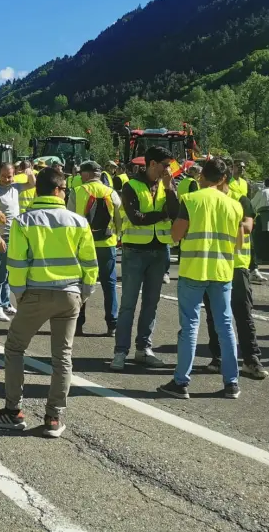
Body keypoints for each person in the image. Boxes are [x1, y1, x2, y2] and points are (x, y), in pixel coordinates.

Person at [0, 166, 98, 437]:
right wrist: (84, 294)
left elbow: (17, 264)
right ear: (57, 190)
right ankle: (54, 417)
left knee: (15, 349)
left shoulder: (23, 221)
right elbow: (90, 263)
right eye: (65, 188)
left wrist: (19, 296)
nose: (66, 192)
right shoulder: (78, 222)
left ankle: (13, 410)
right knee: (62, 357)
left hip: (35, 294)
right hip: (70, 295)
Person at [158, 158, 243, 399]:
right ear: (224, 179)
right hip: (222, 272)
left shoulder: (192, 200)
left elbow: (176, 235)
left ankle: (181, 382)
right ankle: (231, 383)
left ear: (201, 176)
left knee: (190, 326)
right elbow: (238, 242)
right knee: (225, 326)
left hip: (194, 270)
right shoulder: (234, 205)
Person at [111, 146, 178, 371]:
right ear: (152, 164)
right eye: (165, 165)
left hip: (159, 250)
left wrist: (169, 190)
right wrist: (162, 215)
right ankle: (120, 351)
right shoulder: (131, 186)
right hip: (134, 252)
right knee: (128, 305)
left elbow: (175, 212)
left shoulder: (167, 185)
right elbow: (137, 218)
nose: (169, 169)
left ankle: (144, 349)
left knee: (151, 303)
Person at [203, 162, 268, 379]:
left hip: (236, 265)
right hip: (212, 263)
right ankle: (218, 357)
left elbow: (248, 226)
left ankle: (251, 359)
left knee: (242, 313)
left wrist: (224, 218)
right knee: (214, 314)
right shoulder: (206, 200)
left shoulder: (241, 200)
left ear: (223, 180)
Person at [70, 161, 121, 337]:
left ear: (86, 174)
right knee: (110, 285)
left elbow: (70, 220)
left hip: (83, 245)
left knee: (81, 285)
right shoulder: (111, 193)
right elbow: (119, 219)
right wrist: (117, 236)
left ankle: (78, 324)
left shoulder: (77, 192)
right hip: (107, 244)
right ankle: (112, 325)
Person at [0, 162, 36, 321]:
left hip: (15, 235)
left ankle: (5, 302)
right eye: (3, 176)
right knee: (1, 273)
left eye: (9, 176)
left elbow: (33, 183)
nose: (6, 179)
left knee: (9, 273)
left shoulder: (16, 188)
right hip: (2, 237)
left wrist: (29, 171)